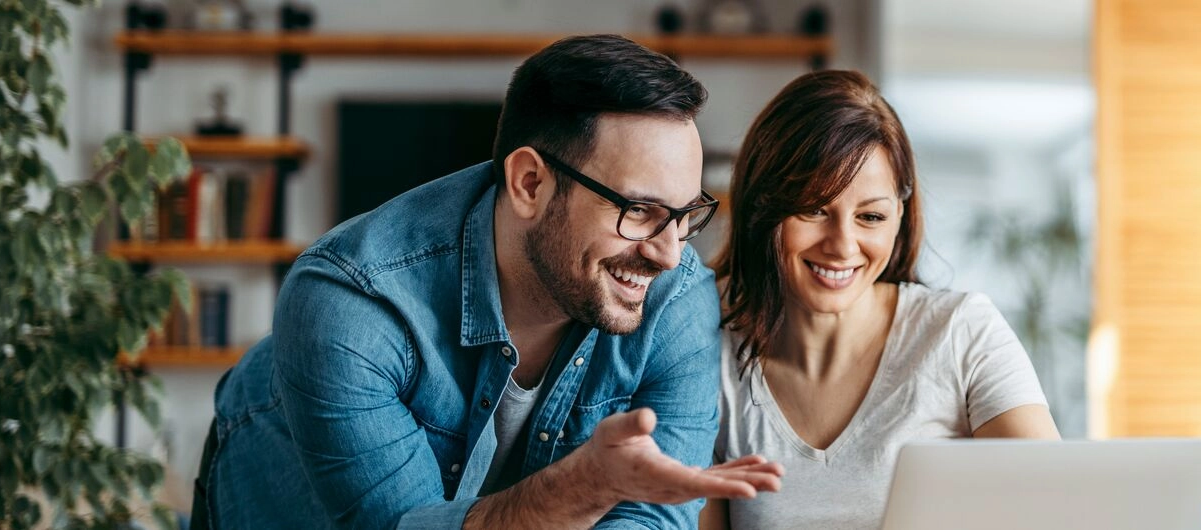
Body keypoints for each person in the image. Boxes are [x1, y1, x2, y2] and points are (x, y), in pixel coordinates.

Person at [193, 35, 783, 530]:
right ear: (530, 184)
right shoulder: (351, 303)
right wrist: (586, 486)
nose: (669, 252)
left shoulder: (678, 296)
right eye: (638, 211)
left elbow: (653, 516)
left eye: (685, 214)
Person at [701, 70, 1060, 530]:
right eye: (814, 209)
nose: (842, 246)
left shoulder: (961, 333)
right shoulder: (704, 344)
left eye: (870, 216)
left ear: (899, 217)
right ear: (762, 207)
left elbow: (1055, 508)